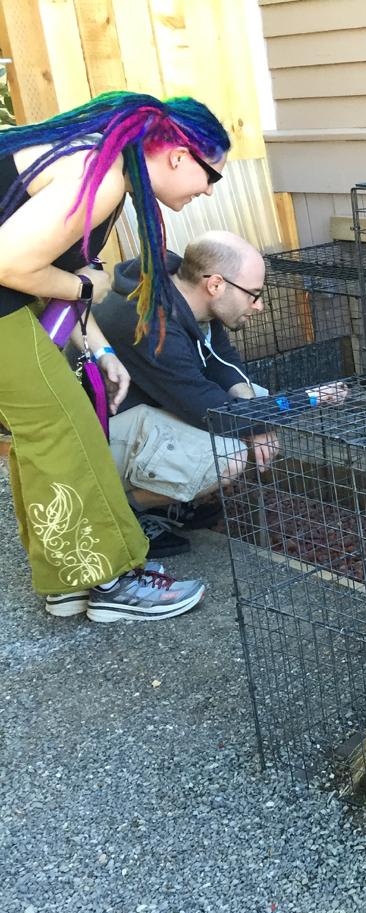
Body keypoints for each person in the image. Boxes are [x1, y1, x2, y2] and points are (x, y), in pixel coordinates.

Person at [0, 92, 229, 622]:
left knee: (46, 434)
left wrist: (102, 348)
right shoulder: (99, 176)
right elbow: (11, 263)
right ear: (178, 156)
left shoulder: (104, 167)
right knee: (65, 429)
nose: (205, 190)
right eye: (211, 176)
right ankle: (111, 581)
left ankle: (68, 578)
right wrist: (85, 287)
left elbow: (49, 269)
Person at [96, 230, 346, 557]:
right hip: (94, 437)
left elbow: (223, 360)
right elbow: (216, 415)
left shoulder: (187, 293)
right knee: (226, 456)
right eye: (253, 294)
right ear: (215, 284)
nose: (259, 306)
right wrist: (310, 398)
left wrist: (254, 414)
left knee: (254, 396)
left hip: (144, 406)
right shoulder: (154, 326)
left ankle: (158, 501)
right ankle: (117, 513)